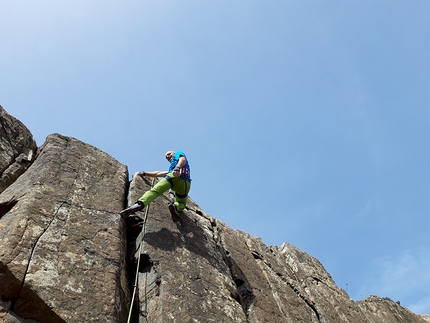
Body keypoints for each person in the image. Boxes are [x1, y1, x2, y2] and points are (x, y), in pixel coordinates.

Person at [120, 150, 191, 221]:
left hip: (174, 176)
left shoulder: (178, 154)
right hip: (184, 182)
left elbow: (183, 159)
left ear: (174, 153)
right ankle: (175, 207)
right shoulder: (171, 169)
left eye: (169, 154)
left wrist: (178, 167)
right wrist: (145, 173)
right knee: (181, 202)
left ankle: (140, 204)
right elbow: (158, 173)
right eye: (166, 157)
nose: (168, 157)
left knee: (154, 191)